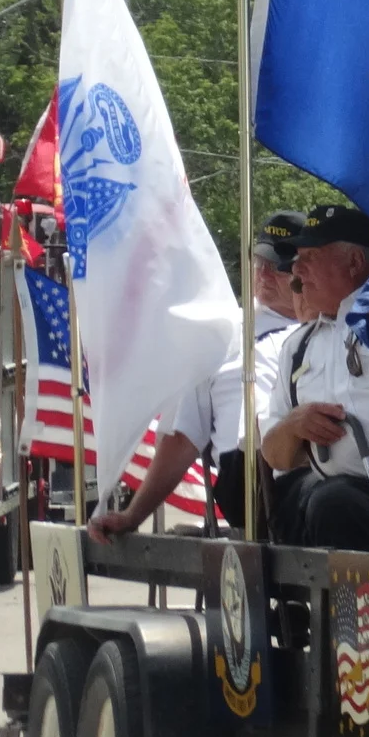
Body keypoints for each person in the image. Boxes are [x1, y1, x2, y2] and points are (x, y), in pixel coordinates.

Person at [89, 208, 308, 543]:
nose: (263, 274)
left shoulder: (334, 329)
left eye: (277, 266)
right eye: (259, 261)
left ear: (302, 271)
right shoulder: (221, 332)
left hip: (321, 469)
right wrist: (134, 514)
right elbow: (182, 437)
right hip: (252, 478)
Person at [256, 204, 369, 551]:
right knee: (330, 501)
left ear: (354, 262)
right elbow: (275, 457)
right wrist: (295, 425)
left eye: (310, 256)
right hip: (341, 495)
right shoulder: (297, 346)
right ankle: (357, 606)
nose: (296, 269)